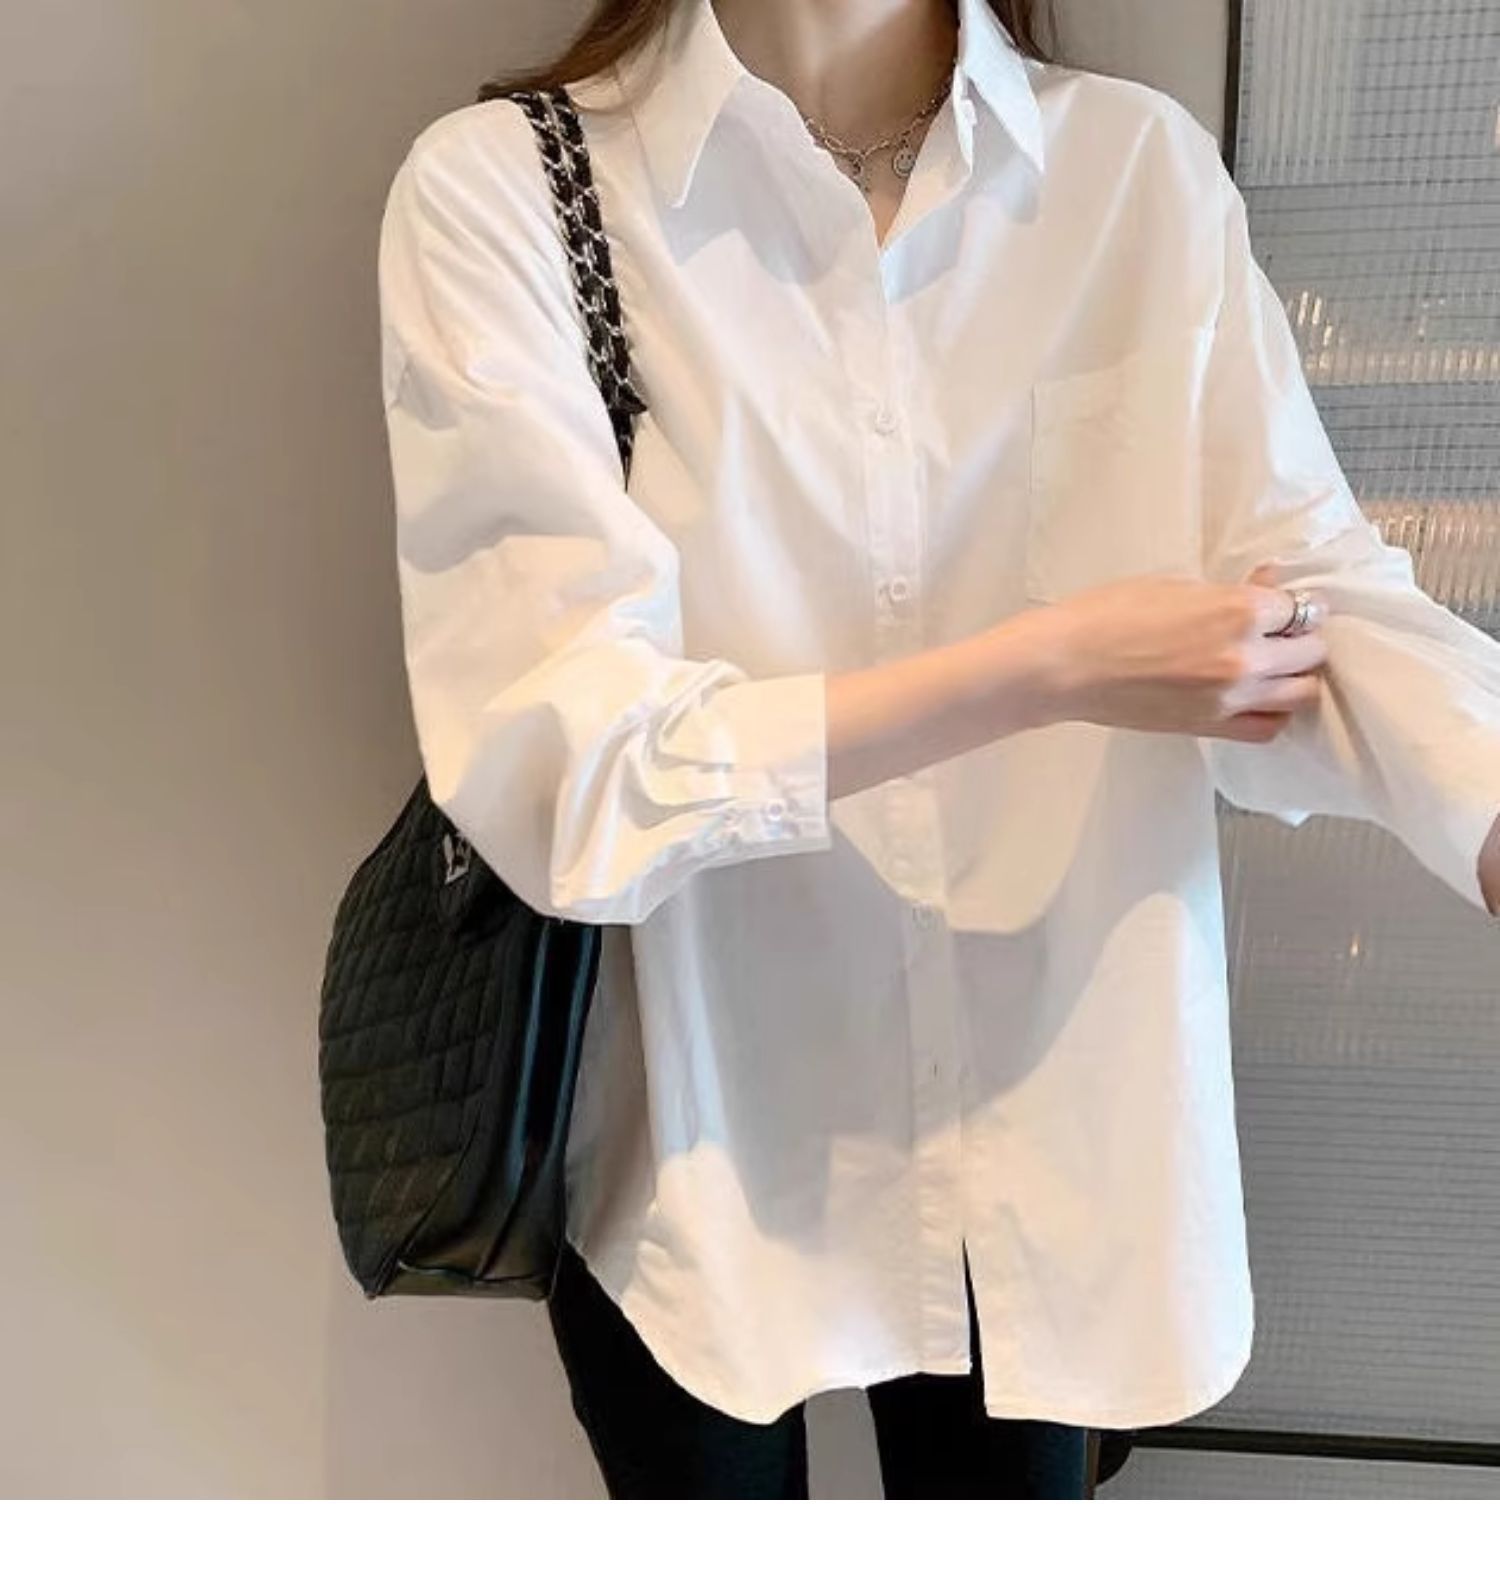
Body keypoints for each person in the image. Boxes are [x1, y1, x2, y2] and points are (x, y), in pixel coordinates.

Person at [375, 0, 1500, 1498]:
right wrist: (1053, 662)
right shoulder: (508, 191)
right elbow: (562, 768)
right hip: (696, 1125)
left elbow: (1308, 590)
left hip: (1041, 1112)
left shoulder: (1131, 175)